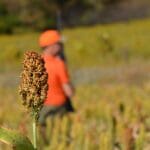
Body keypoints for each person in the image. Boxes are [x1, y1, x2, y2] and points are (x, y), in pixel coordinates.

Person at [38, 30, 75, 144]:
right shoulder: (58, 64)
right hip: (58, 109)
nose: (61, 46)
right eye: (59, 44)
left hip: (41, 108)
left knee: (44, 139)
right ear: (52, 46)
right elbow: (69, 92)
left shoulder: (36, 63)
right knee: (60, 140)